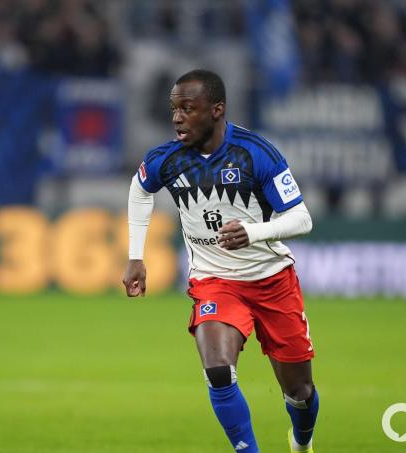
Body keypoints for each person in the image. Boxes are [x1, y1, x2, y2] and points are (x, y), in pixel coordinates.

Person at [122, 69, 319, 453]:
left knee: (300, 391)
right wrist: (135, 256)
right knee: (217, 369)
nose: (177, 117)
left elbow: (302, 219)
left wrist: (254, 231)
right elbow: (140, 188)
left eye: (187, 108)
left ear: (216, 110)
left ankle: (301, 443)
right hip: (215, 280)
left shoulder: (255, 153)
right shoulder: (167, 158)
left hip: (271, 280)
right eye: (174, 108)